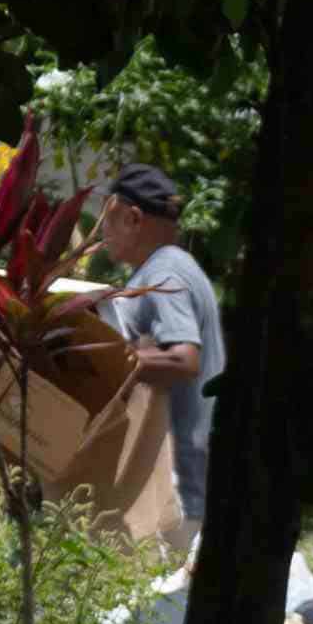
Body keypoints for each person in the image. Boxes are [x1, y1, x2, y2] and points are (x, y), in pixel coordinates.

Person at [93, 164, 225, 529]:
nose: (102, 232)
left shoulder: (164, 274)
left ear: (133, 218)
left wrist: (99, 356)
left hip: (179, 493)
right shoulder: (170, 267)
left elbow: (184, 360)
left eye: (107, 218)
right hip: (183, 486)